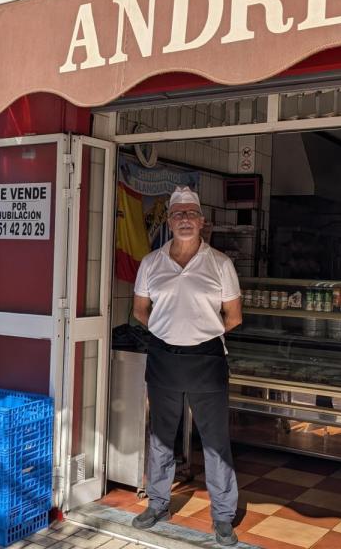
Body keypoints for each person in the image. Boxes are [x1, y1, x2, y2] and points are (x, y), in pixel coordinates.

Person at [131, 186, 242, 547]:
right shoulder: (151, 263)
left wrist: (199, 334)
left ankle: (223, 516)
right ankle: (158, 503)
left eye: (190, 214)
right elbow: (139, 310)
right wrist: (170, 332)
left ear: (202, 221)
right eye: (177, 214)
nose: (184, 220)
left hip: (207, 359)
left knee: (215, 440)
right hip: (163, 357)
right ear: (168, 220)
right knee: (161, 435)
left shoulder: (221, 264)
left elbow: (234, 316)